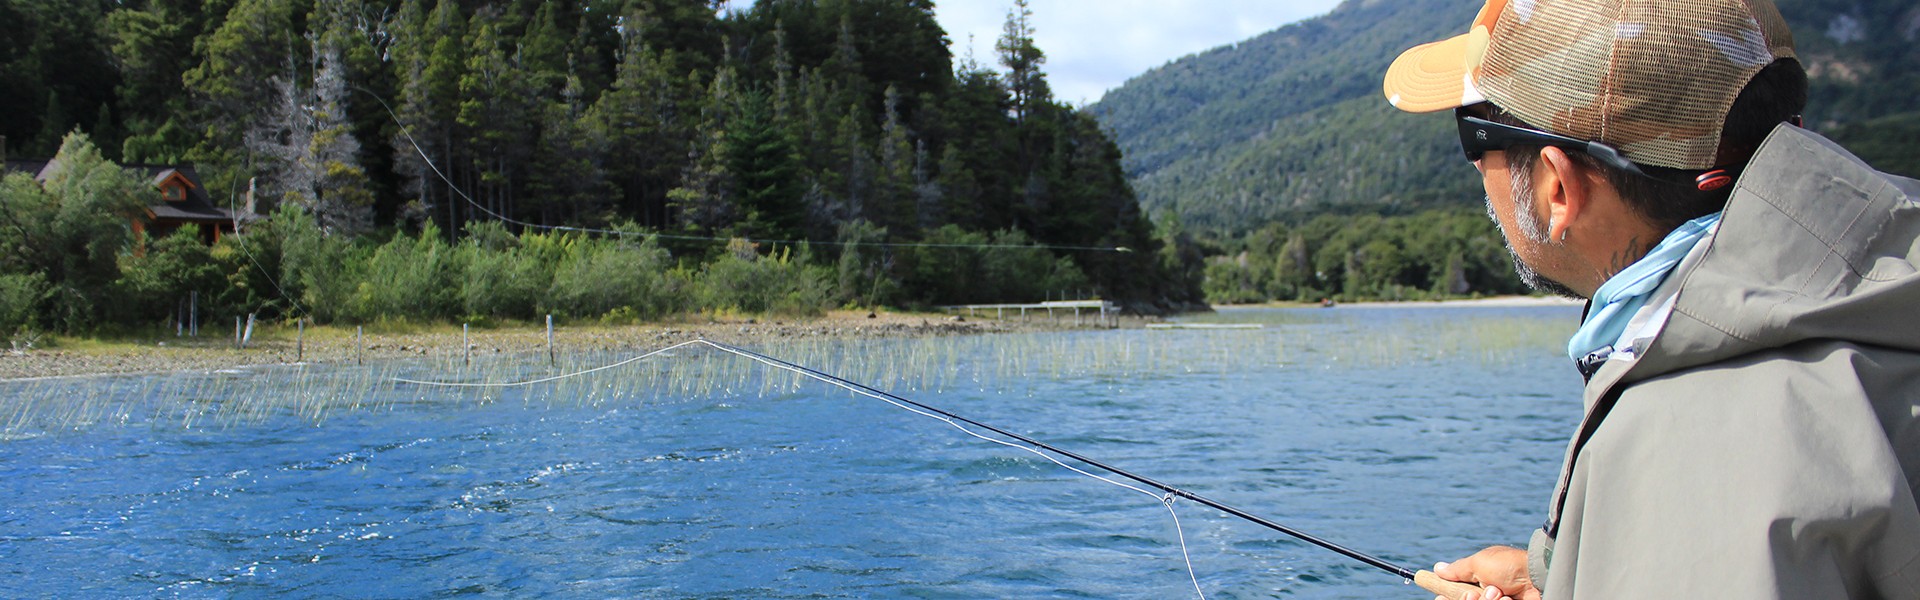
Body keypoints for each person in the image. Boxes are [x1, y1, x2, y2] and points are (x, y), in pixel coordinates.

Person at [1380, 0, 1920, 598]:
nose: (1479, 164)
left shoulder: (1690, 454)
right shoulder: (1891, 294)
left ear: (1558, 187)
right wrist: (1572, 573)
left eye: (1475, 132)